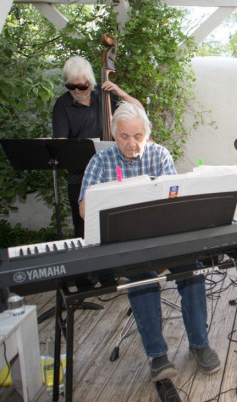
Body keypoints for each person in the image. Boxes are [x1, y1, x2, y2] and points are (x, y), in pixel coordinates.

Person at [79, 102, 221, 382]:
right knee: (141, 278)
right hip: (126, 245)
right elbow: (84, 209)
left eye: (138, 136)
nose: (132, 144)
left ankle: (199, 344)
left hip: (162, 238)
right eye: (124, 137)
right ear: (114, 135)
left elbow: (175, 201)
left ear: (146, 133)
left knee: (192, 271)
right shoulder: (101, 161)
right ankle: (157, 355)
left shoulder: (159, 155)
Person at [52, 56, 144, 238]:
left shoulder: (105, 95)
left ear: (90, 82)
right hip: (81, 175)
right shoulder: (62, 105)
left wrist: (121, 93)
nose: (77, 91)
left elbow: (139, 114)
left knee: (123, 225)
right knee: (84, 229)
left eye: (82, 86)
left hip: (115, 171)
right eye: (72, 87)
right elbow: (62, 146)